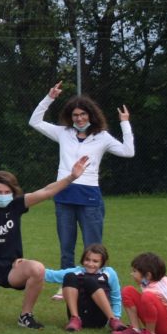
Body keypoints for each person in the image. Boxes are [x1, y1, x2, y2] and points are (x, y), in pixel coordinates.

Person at [0, 155, 89, 329]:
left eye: (7, 192)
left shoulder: (17, 204)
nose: (3, 196)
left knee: (38, 268)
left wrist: (71, 177)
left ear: (13, 192)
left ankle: (25, 316)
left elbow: (47, 191)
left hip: (13, 267)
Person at [29, 83, 135, 268]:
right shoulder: (63, 133)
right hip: (64, 194)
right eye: (75, 115)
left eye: (83, 114)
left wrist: (124, 123)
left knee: (93, 247)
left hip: (89, 197)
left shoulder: (102, 137)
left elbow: (128, 151)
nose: (79, 118)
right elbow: (35, 122)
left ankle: (94, 282)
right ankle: (67, 283)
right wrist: (49, 98)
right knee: (66, 247)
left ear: (91, 115)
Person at [44, 244, 124, 332]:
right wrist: (31, 267)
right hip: (79, 315)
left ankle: (113, 320)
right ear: (83, 259)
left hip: (99, 317)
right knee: (69, 276)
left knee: (89, 280)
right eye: (87, 260)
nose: (90, 264)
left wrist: (116, 316)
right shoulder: (77, 271)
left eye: (95, 261)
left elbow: (116, 297)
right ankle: (75, 318)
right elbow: (52, 275)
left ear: (102, 263)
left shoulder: (109, 273)